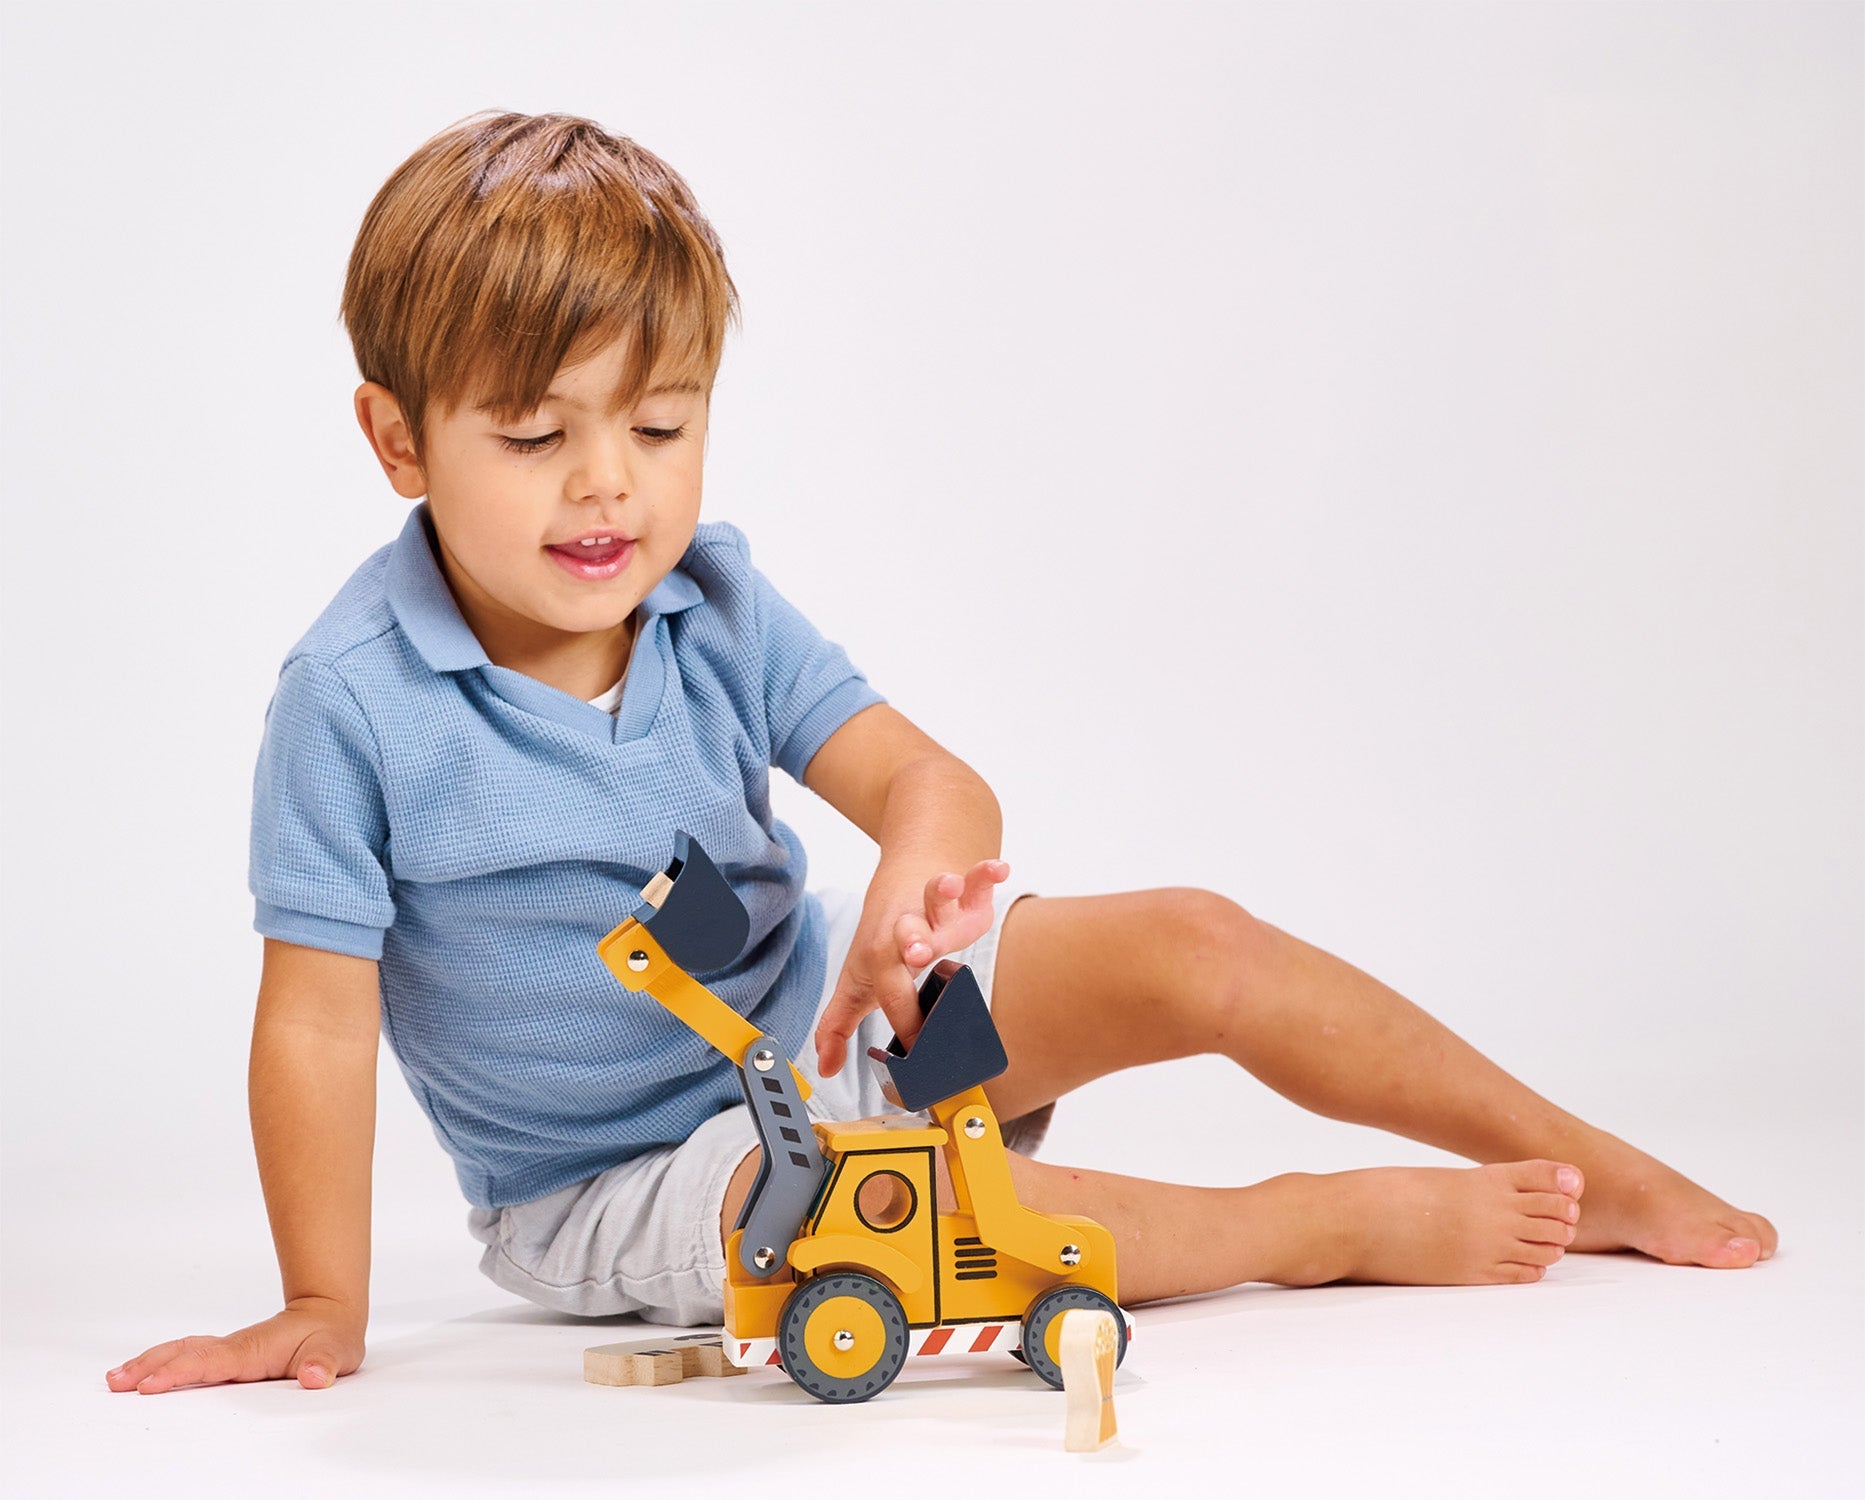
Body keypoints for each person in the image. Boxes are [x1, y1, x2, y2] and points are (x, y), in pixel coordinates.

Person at [105, 110, 1775, 1398]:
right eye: (537, 434)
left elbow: (931, 783)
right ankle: (1317, 1224)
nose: (608, 482)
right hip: (628, 1182)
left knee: (1194, 941)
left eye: (660, 425)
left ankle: (1591, 1161)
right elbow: (312, 1022)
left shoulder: (710, 603)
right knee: (916, 1217)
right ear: (397, 438)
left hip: (827, 1026)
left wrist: (909, 895)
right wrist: (320, 1300)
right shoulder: (354, 702)